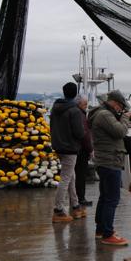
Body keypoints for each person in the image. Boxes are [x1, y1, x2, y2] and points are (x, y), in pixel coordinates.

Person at [89, 90, 131, 246]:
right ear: (114, 102)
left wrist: (121, 117)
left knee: (105, 197)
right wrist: (126, 118)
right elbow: (120, 131)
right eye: (120, 106)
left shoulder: (102, 114)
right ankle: (108, 233)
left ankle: (101, 230)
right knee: (112, 199)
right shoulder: (105, 115)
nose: (121, 109)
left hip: (105, 160)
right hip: (110, 161)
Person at [50, 82, 86, 223]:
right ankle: (58, 210)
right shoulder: (75, 111)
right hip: (70, 148)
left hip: (59, 147)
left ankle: (75, 206)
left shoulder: (55, 108)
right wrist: (83, 136)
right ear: (75, 94)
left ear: (64, 92)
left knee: (71, 176)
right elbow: (79, 132)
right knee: (66, 178)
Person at [74, 95, 93, 207]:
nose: (86, 107)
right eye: (85, 104)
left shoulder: (75, 113)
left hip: (75, 149)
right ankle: (81, 198)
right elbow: (84, 134)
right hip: (81, 151)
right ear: (79, 104)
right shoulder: (80, 115)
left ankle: (76, 198)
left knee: (76, 175)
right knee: (81, 176)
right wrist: (90, 149)